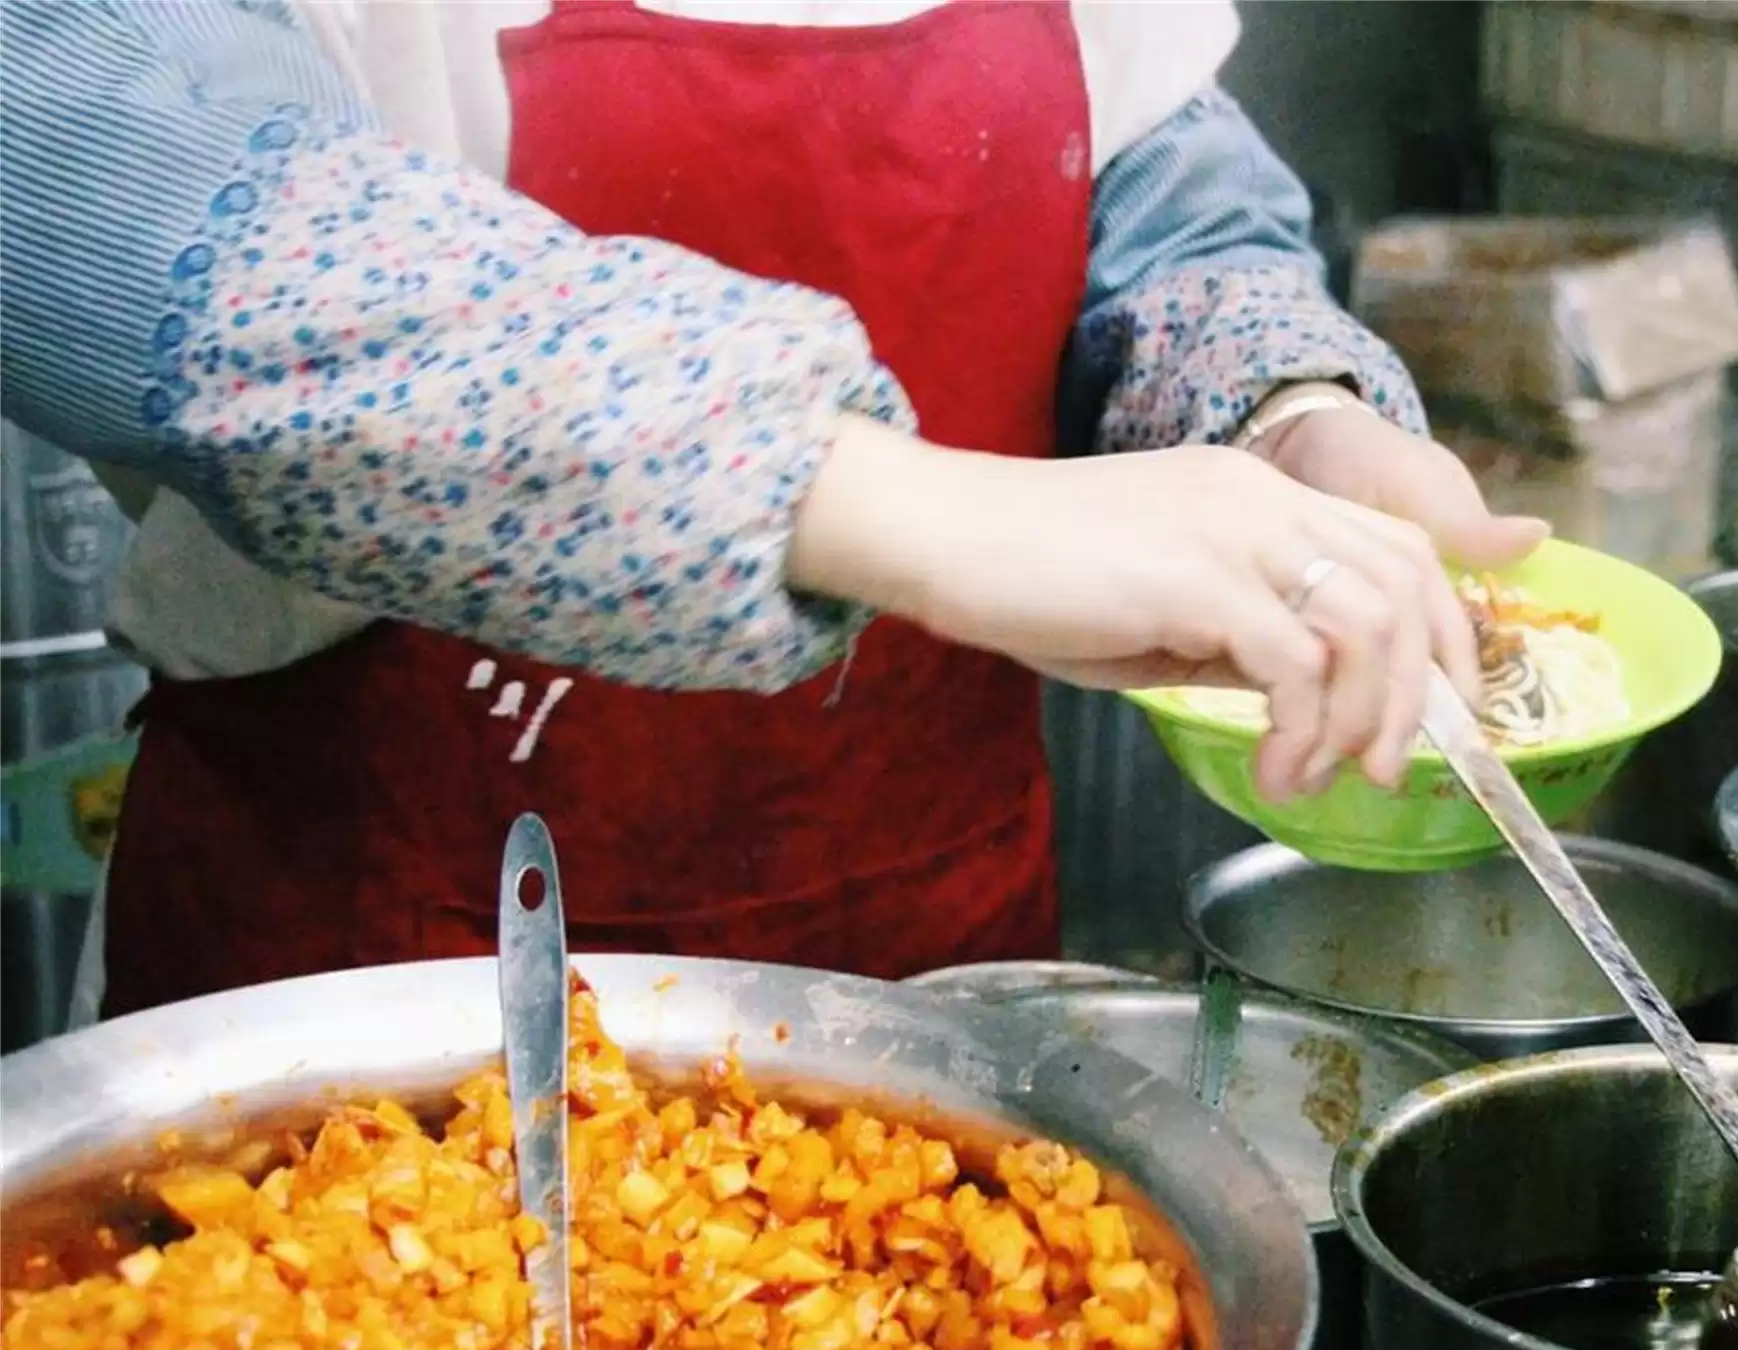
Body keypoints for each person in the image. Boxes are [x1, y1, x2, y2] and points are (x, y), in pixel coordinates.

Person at [1, 0, 1549, 1019]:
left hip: (935, 983)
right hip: (367, 1026)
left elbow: (1158, 177)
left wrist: (1283, 412)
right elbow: (114, 189)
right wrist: (870, 500)